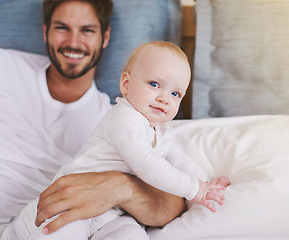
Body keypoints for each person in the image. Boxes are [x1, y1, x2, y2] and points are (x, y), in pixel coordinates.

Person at [0, 0, 186, 239]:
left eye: (87, 30)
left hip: (55, 225)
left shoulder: (121, 118)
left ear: (105, 37)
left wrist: (121, 186)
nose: (74, 42)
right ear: (46, 32)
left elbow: (172, 204)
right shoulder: (6, 67)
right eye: (62, 28)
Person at [22, 41, 230, 240]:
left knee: (131, 234)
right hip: (75, 201)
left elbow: (182, 162)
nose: (164, 98)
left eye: (175, 93)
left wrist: (206, 183)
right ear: (126, 84)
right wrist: (194, 189)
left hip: (116, 212)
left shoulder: (164, 132)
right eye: (154, 84)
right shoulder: (124, 118)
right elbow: (146, 164)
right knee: (59, 231)